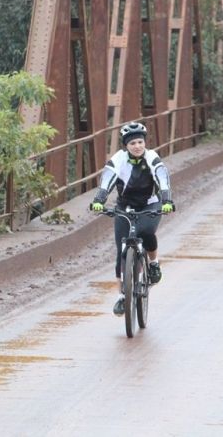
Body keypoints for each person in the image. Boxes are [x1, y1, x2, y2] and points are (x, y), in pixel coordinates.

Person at [90, 122, 175, 316]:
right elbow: (107, 180)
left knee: (146, 232)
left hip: (150, 204)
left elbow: (162, 178)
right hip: (125, 206)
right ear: (126, 146)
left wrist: (167, 201)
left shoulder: (152, 157)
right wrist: (99, 200)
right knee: (121, 251)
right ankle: (123, 296)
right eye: (132, 143)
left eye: (140, 142)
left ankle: (153, 263)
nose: (137, 146)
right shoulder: (118, 159)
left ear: (145, 143)